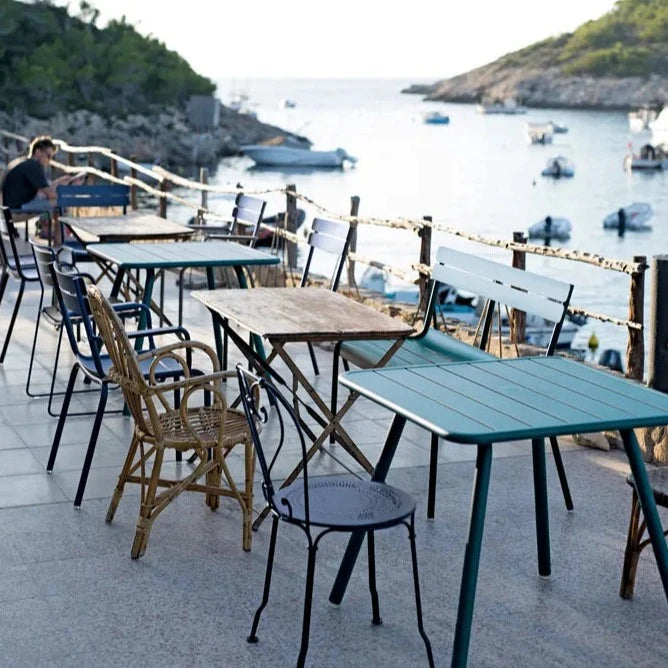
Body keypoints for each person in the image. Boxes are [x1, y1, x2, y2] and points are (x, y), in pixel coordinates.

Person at [1, 136, 84, 213]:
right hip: (17, 208)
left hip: (9, 206)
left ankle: (49, 223)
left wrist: (61, 181)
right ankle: (60, 224)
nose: (49, 160)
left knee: (49, 201)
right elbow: (51, 195)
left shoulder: (25, 163)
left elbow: (44, 190)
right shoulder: (34, 166)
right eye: (48, 156)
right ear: (38, 152)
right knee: (61, 202)